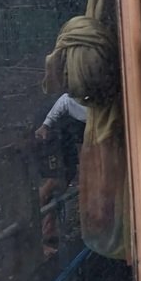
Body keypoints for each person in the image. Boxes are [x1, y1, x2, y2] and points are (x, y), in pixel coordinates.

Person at [34, 93, 87, 256]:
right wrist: (46, 125)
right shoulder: (90, 107)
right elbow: (65, 99)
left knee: (65, 178)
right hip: (51, 129)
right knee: (54, 181)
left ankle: (48, 230)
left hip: (67, 134)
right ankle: (34, 239)